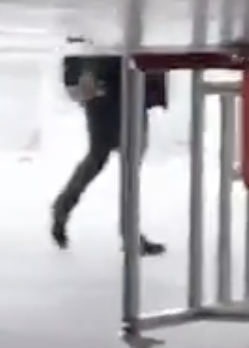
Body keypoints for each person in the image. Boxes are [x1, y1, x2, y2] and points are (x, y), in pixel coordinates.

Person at [52, 54, 167, 255]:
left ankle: (64, 207)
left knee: (114, 157)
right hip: (106, 81)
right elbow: (85, 41)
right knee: (105, 155)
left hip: (124, 78)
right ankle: (64, 207)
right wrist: (82, 75)